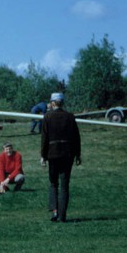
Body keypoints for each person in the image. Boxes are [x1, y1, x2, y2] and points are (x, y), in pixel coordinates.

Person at [40, 92, 81, 222]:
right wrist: (78, 154)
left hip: (52, 154)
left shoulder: (47, 116)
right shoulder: (70, 117)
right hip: (67, 155)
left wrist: (43, 155)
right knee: (64, 186)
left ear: (52, 103)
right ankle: (63, 215)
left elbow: (44, 138)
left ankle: (54, 212)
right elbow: (76, 138)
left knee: (53, 183)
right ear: (62, 103)